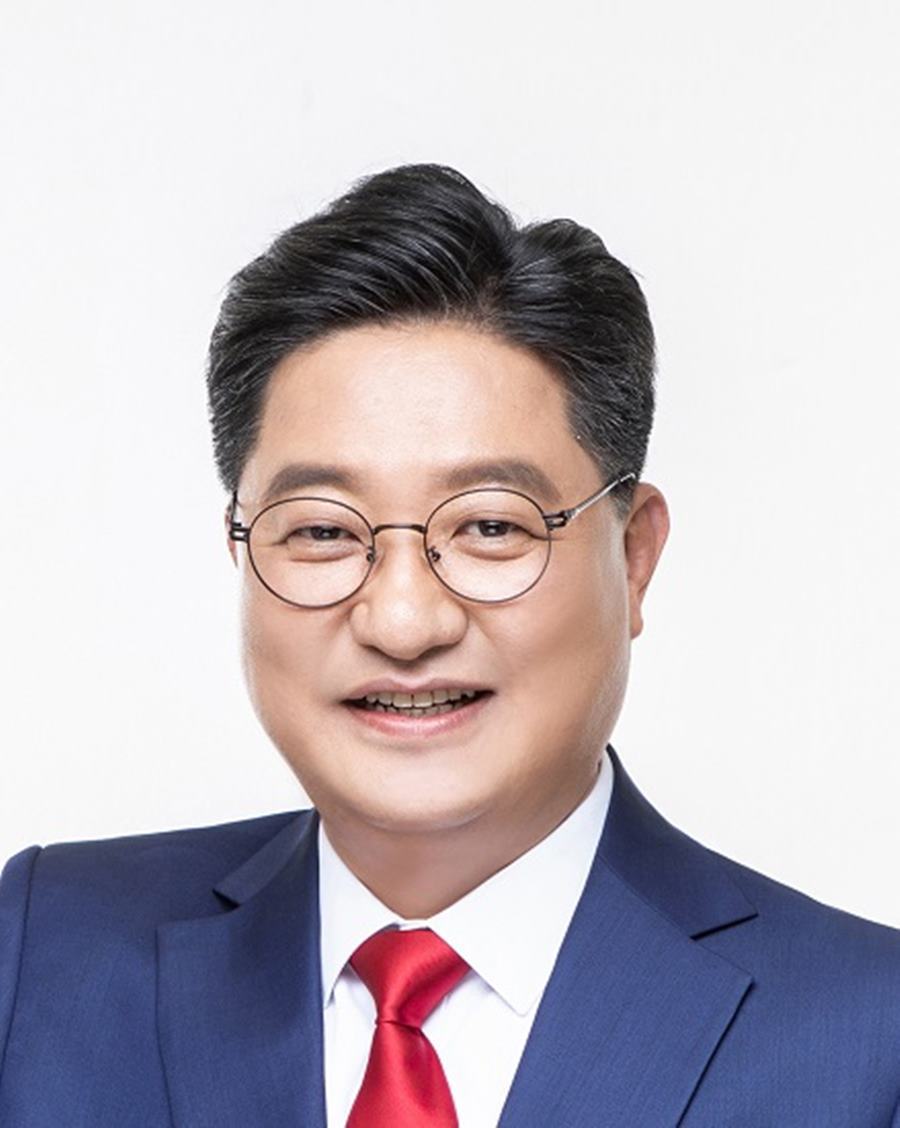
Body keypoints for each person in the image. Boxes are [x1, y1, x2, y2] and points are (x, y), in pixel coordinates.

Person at [0, 164, 897, 1128]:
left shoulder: (866, 1038)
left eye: (490, 527)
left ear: (634, 556)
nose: (403, 622)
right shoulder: (43, 949)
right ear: (240, 550)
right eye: (322, 531)